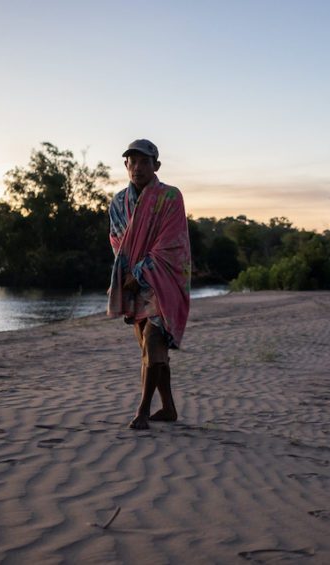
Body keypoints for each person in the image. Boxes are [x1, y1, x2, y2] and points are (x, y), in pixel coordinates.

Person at [107, 139, 191, 430]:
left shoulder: (170, 197)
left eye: (145, 161)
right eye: (133, 161)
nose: (138, 167)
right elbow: (118, 240)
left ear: (156, 165)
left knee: (154, 343)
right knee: (149, 347)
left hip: (162, 278)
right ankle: (168, 407)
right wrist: (124, 277)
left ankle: (142, 412)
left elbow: (171, 243)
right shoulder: (119, 202)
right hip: (132, 283)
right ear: (126, 165)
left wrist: (141, 271)